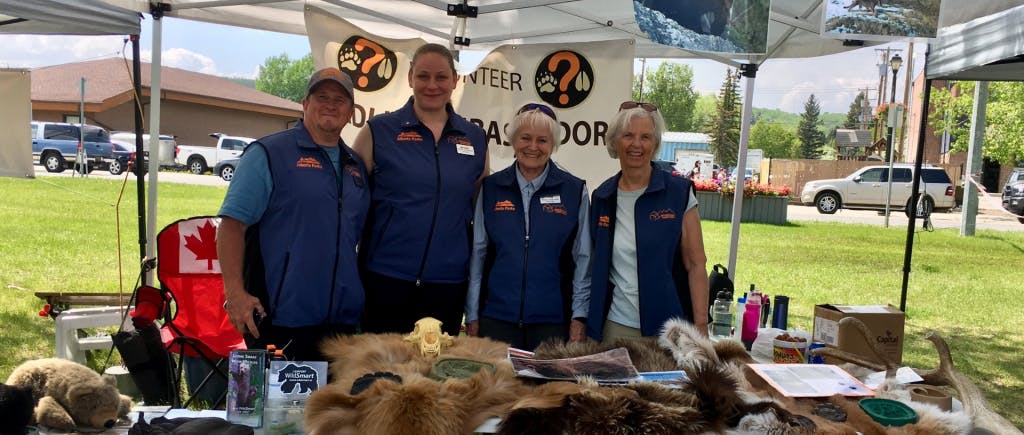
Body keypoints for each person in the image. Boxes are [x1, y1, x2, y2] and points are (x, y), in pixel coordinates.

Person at [218, 67, 370, 361]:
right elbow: (232, 226)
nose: (330, 104)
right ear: (304, 104)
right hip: (280, 318)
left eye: (340, 100)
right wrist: (235, 294)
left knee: (333, 406)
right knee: (279, 407)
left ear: (351, 112)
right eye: (321, 96)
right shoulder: (269, 154)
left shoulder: (356, 167)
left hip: (341, 324)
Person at [353, 43, 488, 337]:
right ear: (410, 77)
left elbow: (480, 205)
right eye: (423, 76)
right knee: (382, 375)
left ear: (455, 81)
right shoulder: (379, 130)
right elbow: (350, 200)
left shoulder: (475, 138)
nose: (432, 85)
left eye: (441, 77)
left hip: (447, 284)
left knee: (435, 377)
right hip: (385, 278)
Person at [463, 102, 591, 350]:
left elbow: (584, 260)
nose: (533, 147)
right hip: (496, 319)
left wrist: (579, 317)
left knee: (548, 390)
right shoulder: (491, 188)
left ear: (553, 144)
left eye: (542, 140)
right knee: (498, 388)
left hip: (552, 322)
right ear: (513, 140)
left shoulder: (574, 191)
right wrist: (473, 313)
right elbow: (478, 255)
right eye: (525, 138)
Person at [586, 101, 710, 343]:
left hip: (669, 328)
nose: (636, 144)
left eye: (645, 137)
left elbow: (696, 264)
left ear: (654, 145)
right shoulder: (602, 196)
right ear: (614, 142)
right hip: (614, 327)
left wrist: (701, 326)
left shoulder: (679, 193)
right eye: (628, 136)